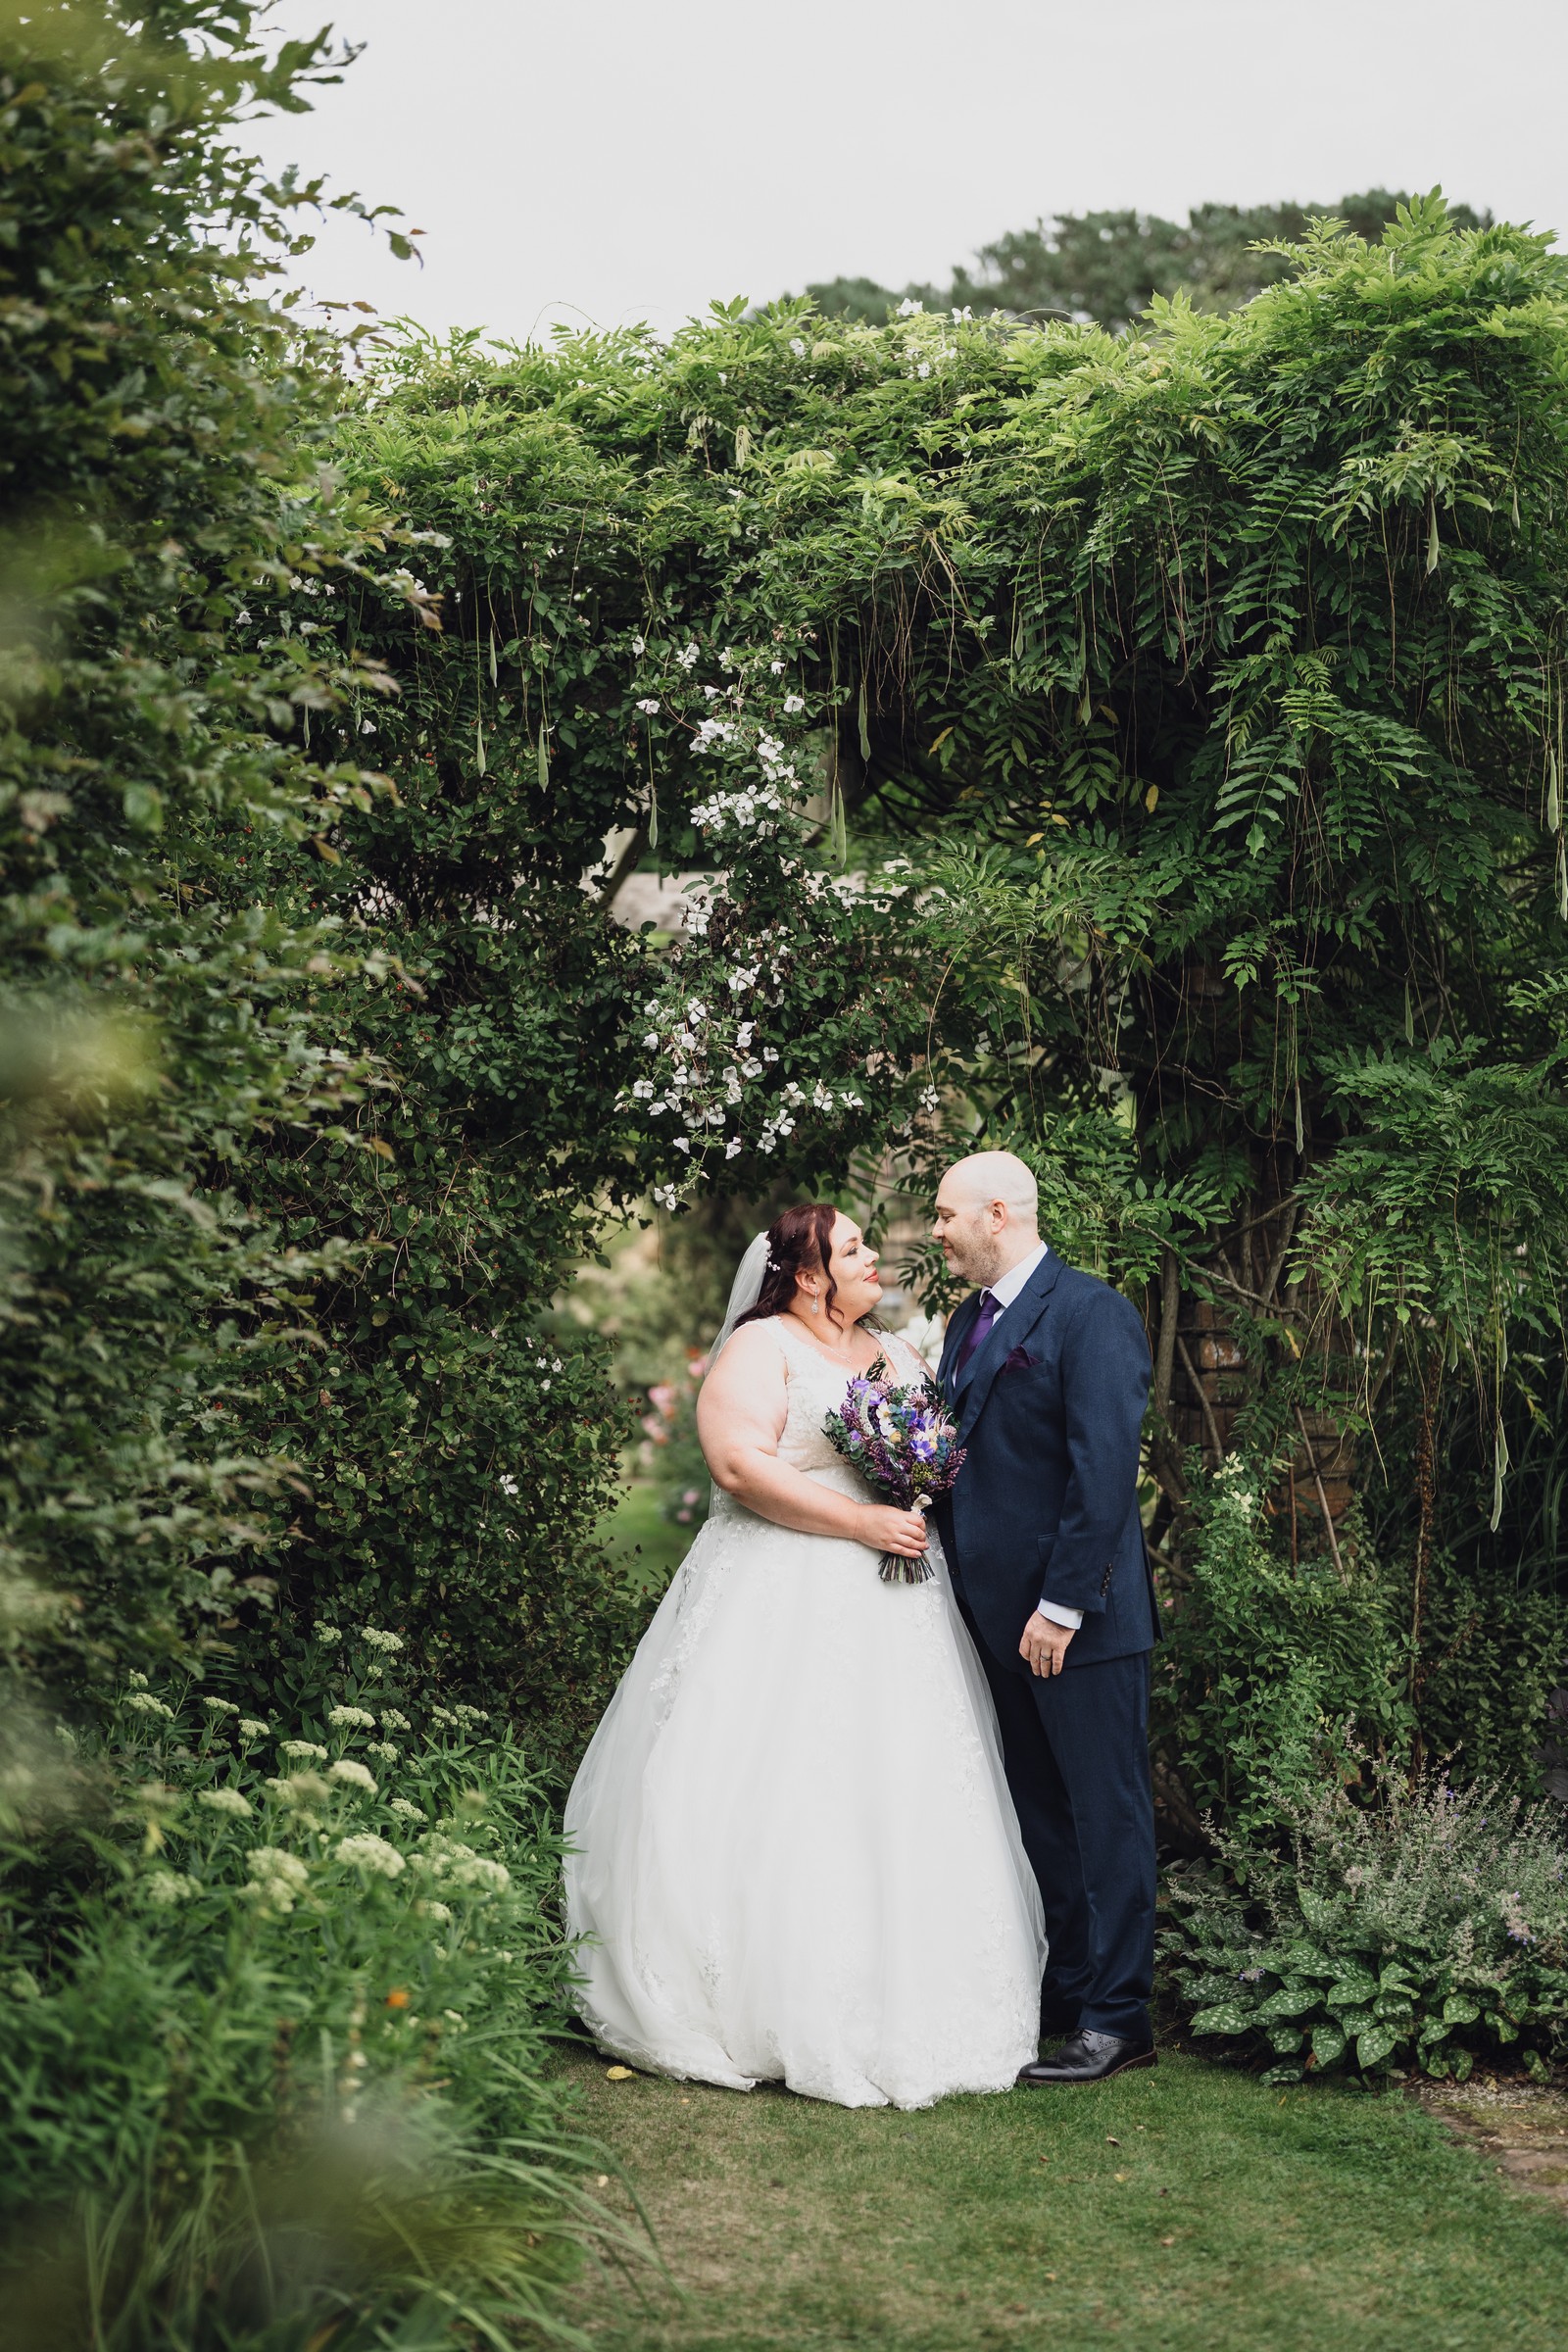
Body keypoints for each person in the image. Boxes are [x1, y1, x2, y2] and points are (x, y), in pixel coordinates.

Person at [564, 1201, 1045, 2109]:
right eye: (854, 1248)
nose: (873, 1257)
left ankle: (921, 1995)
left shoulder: (894, 1352)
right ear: (811, 1274)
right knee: (789, 1779)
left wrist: (912, 1497)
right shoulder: (761, 1347)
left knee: (903, 1780)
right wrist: (861, 1523)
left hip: (900, 1605)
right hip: (781, 1587)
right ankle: (762, 1999)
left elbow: (932, 1452)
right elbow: (739, 1467)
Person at [932, 1151, 1158, 2085]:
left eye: (946, 1215)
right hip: (993, 1618)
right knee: (1040, 1815)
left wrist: (1061, 1607)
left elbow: (1103, 1472)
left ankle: (1120, 2018)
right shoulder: (966, 1322)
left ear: (997, 1214)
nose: (938, 1232)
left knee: (1106, 1814)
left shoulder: (1091, 1313)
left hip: (1078, 1622)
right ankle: (1067, 1993)